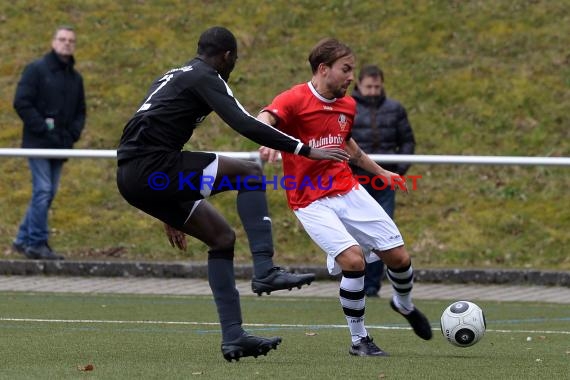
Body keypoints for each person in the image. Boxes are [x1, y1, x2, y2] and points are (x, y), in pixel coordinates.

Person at [116, 26, 350, 361]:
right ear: (226, 56)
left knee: (222, 238)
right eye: (235, 60)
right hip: (153, 167)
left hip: (135, 174)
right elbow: (244, 123)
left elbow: (148, 127)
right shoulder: (206, 76)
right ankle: (265, 269)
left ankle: (234, 336)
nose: (233, 67)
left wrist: (166, 199)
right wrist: (303, 149)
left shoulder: (175, 74)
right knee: (250, 174)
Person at [258, 38, 432, 357]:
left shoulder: (347, 104)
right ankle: (359, 340)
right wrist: (266, 140)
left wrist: (380, 172)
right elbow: (265, 118)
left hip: (347, 188)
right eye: (346, 69)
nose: (351, 77)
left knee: (400, 258)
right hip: (309, 199)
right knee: (353, 260)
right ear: (323, 69)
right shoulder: (295, 98)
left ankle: (403, 304)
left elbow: (347, 144)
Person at [12, 26, 86, 260]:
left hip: (61, 145)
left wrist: (72, 134)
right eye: (62, 39)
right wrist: (43, 128)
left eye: (71, 40)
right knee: (43, 190)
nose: (67, 44)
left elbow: (80, 111)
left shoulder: (75, 78)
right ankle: (36, 242)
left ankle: (22, 239)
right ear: (53, 42)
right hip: (38, 143)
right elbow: (22, 102)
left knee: (47, 193)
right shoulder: (36, 70)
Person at [351, 64, 416, 298]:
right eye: (369, 86)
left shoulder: (395, 109)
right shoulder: (348, 108)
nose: (373, 90)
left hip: (384, 182)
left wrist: (398, 170)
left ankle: (372, 285)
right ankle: (354, 279)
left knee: (383, 232)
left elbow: (407, 141)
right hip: (354, 181)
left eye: (377, 86)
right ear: (359, 84)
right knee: (354, 234)